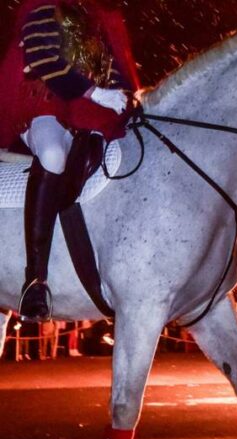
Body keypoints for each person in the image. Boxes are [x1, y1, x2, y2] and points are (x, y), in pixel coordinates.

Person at [0, 0, 139, 322]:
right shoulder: (45, 11)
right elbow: (44, 59)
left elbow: (114, 71)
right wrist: (94, 93)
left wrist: (122, 97)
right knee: (52, 155)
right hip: (46, 108)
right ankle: (35, 279)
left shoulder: (98, 21)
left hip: (90, 119)